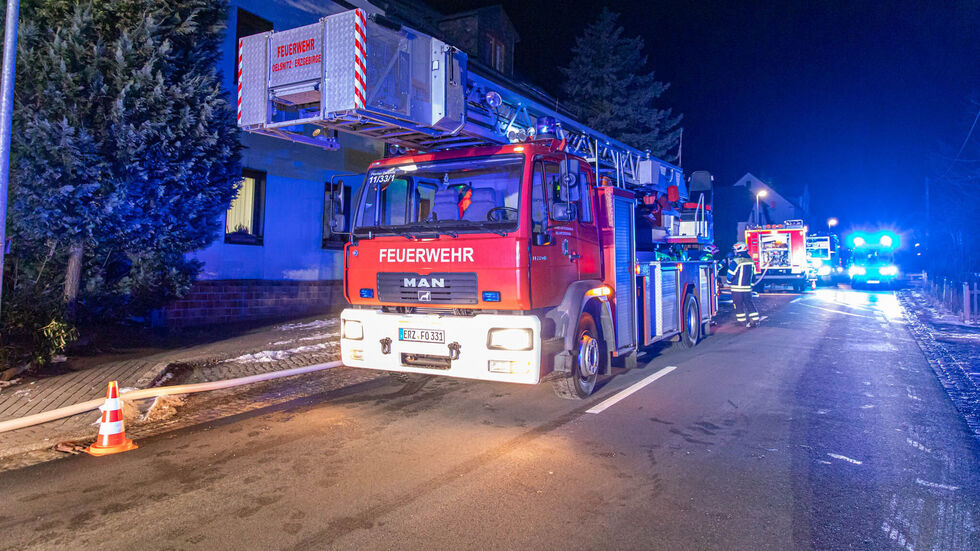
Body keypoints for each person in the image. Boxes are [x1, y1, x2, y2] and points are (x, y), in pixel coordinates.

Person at [728, 242, 760, 327]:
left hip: (737, 289)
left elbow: (730, 274)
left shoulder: (736, 261)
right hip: (747, 289)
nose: (734, 252)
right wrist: (751, 285)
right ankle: (755, 320)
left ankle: (742, 322)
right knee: (749, 304)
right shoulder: (751, 261)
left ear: (739, 250)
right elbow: (754, 275)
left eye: (735, 250)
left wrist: (728, 282)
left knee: (738, 305)